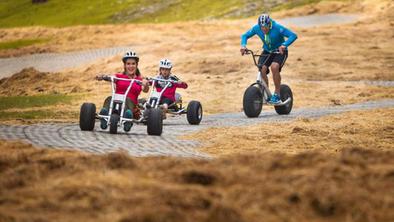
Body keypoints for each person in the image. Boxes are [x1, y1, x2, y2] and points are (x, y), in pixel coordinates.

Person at [240, 13, 297, 104]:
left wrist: (284, 45)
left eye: (266, 26)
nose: (263, 29)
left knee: (274, 67)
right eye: (261, 27)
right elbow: (244, 36)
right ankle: (266, 94)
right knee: (261, 68)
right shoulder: (256, 28)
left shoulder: (277, 27)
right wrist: (243, 46)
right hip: (267, 51)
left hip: (280, 51)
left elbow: (293, 35)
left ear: (269, 24)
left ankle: (277, 95)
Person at [96, 51, 149, 131]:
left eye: (133, 64)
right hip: (115, 102)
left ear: (137, 65)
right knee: (109, 98)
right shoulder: (119, 76)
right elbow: (111, 77)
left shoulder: (139, 80)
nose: (131, 66)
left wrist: (146, 84)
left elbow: (146, 90)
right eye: (128, 64)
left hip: (130, 105)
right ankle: (104, 115)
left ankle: (127, 118)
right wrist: (102, 77)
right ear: (124, 65)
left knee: (127, 100)